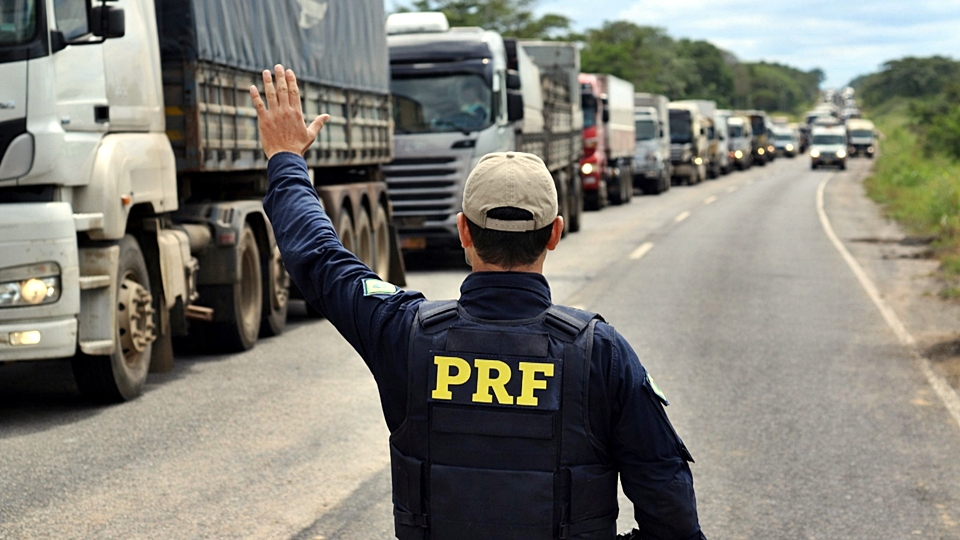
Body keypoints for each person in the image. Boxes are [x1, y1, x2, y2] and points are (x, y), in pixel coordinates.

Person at [252, 65, 707, 540]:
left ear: (463, 230)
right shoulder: (602, 354)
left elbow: (319, 258)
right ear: (554, 233)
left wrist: (286, 158)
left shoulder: (404, 332)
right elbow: (671, 517)